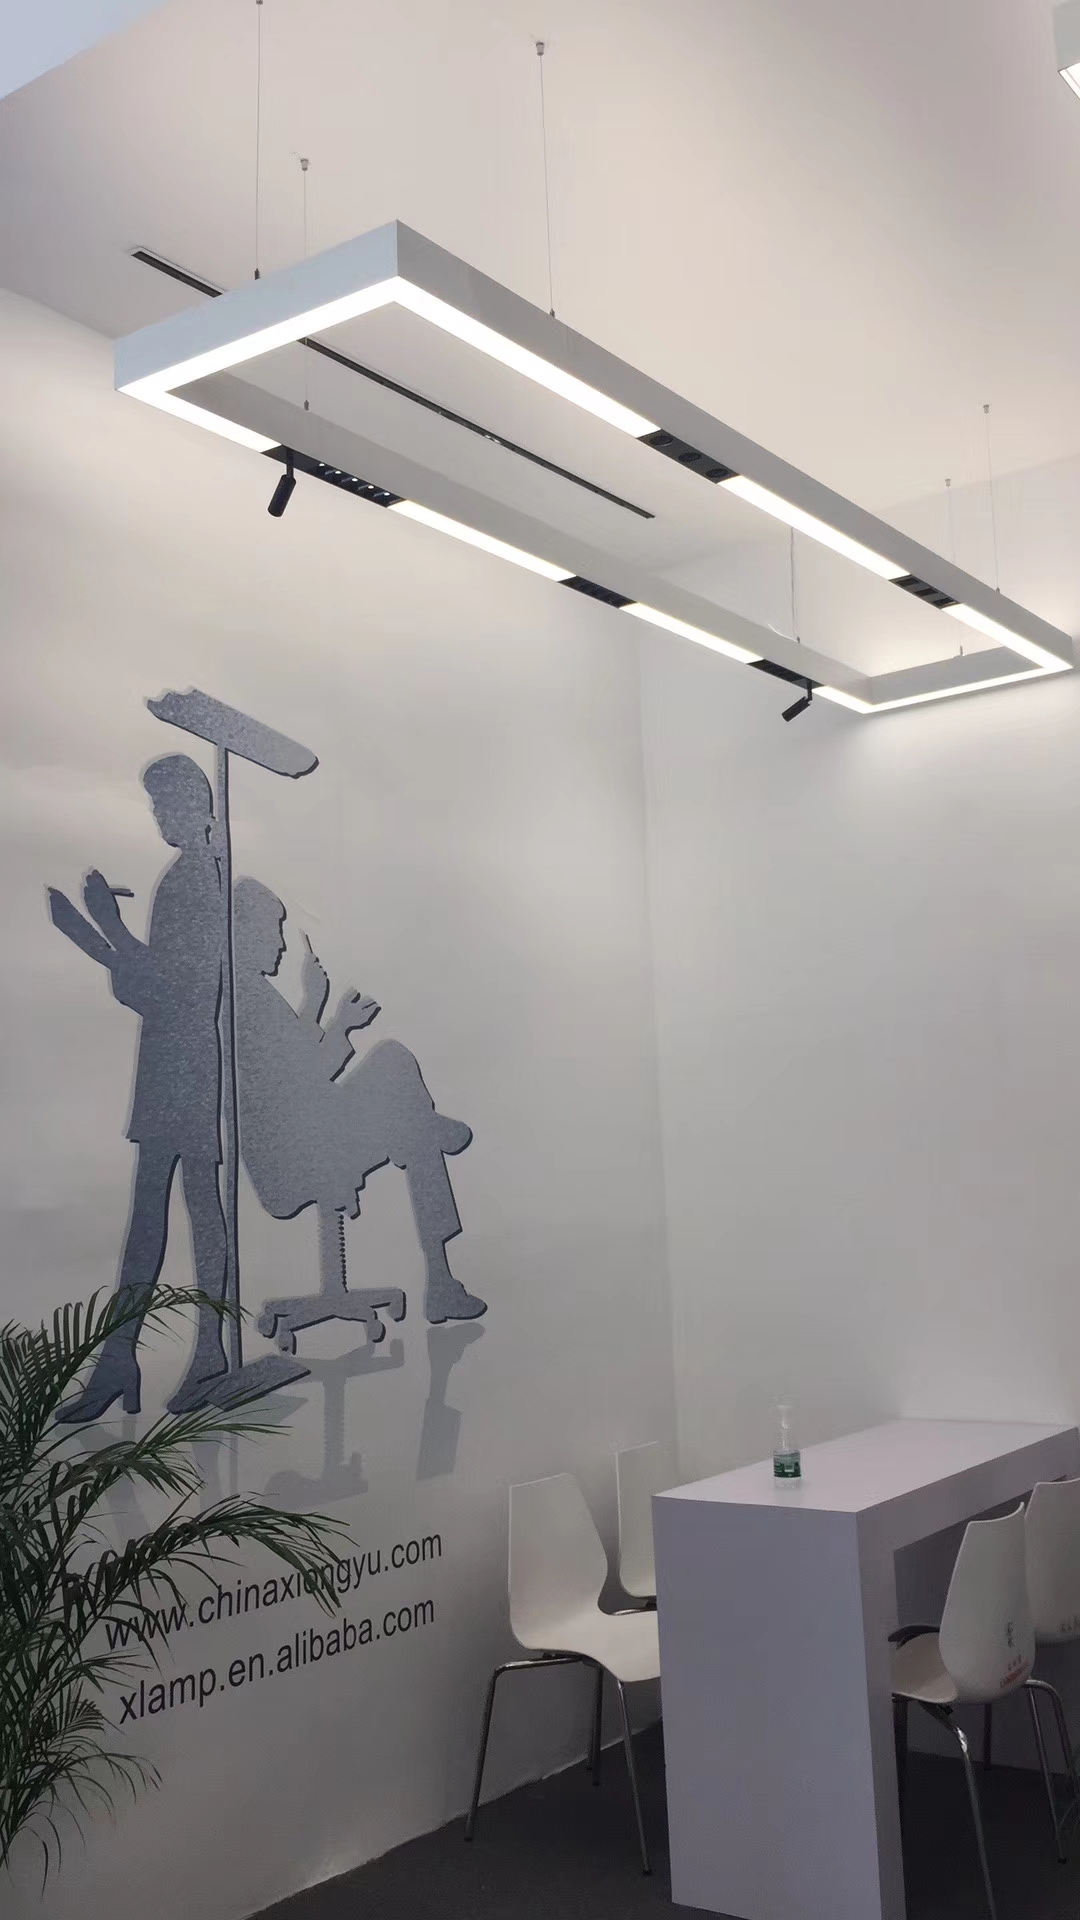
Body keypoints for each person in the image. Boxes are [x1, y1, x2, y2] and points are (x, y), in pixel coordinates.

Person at [50, 755, 230, 1419]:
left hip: (186, 1063)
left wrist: (103, 926)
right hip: (172, 1064)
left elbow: (174, 989)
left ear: (195, 805)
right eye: (155, 807)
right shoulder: (191, 875)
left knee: (188, 1210)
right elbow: (159, 982)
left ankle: (199, 1349)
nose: (159, 818)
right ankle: (128, 1357)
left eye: (164, 805)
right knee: (164, 1212)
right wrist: (94, 931)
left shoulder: (196, 879)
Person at [232, 877, 486, 1325]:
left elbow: (296, 1067)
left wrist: (314, 1004)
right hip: (298, 1157)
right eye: (273, 929)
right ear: (245, 930)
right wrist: (340, 1024)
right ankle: (441, 1281)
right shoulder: (247, 1002)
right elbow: (307, 1077)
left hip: (310, 1134)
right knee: (396, 1074)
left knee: (400, 1085)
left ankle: (425, 1127)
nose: (281, 944)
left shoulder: (253, 996)